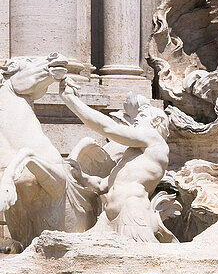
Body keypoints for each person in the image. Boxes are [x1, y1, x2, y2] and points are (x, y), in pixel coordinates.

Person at [59, 78, 175, 243]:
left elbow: (109, 128)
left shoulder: (155, 141)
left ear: (156, 122)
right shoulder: (133, 156)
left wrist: (72, 101)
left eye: (141, 116)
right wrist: (82, 176)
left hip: (132, 212)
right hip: (107, 218)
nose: (135, 120)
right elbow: (102, 185)